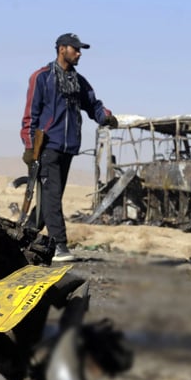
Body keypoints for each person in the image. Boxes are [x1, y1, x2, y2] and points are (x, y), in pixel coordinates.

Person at [20, 33, 118, 262]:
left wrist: (106, 117)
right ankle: (59, 246)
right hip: (47, 147)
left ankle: (23, 237)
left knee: (49, 199)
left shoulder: (78, 81)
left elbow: (93, 105)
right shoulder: (41, 77)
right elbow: (29, 116)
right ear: (62, 49)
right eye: (76, 49)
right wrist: (29, 146)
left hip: (68, 148)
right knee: (52, 196)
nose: (79, 53)